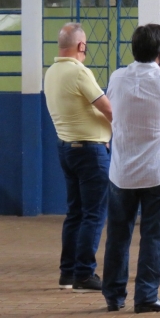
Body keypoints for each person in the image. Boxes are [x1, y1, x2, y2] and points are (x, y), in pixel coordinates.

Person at [102, 24, 160, 313]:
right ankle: (146, 296)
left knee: (118, 234)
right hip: (157, 172)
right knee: (154, 235)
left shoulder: (117, 78)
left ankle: (114, 297)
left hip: (122, 173)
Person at [44, 22, 112, 293]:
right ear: (81, 46)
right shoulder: (79, 72)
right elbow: (109, 109)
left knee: (75, 213)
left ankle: (67, 273)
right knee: (94, 214)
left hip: (66, 147)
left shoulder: (51, 72)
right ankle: (85, 274)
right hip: (91, 151)